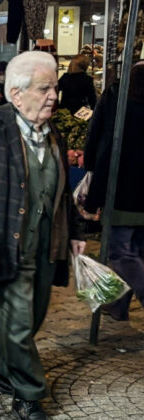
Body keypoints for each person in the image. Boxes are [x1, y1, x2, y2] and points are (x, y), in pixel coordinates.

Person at [0, 51, 86, 420]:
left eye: (55, 88)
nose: (53, 96)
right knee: (17, 324)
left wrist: (75, 232)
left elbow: (61, 191)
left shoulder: (54, 134)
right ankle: (29, 395)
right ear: (16, 93)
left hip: (46, 245)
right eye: (44, 88)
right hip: (3, 244)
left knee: (31, 319)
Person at [83, 62, 144, 322]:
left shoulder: (116, 97)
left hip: (122, 191)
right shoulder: (117, 97)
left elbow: (101, 143)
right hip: (135, 191)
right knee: (138, 250)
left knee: (121, 252)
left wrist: (93, 192)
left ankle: (118, 304)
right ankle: (117, 306)